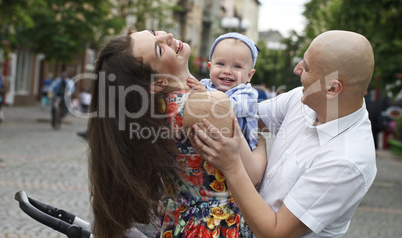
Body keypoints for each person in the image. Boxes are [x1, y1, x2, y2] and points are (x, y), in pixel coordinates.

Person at [191, 30, 377, 237]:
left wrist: (232, 164)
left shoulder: (347, 160)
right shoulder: (303, 99)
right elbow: (243, 119)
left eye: (306, 68)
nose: (297, 70)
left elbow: (275, 232)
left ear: (332, 89)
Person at [87, 28, 267, 238]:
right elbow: (252, 175)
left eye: (155, 33)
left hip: (176, 225)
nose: (167, 37)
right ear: (158, 82)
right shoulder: (210, 103)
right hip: (218, 227)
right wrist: (261, 139)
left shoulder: (155, 109)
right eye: (159, 48)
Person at [187, 32, 260, 150]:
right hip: (208, 142)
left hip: (239, 152)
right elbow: (187, 82)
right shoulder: (205, 84)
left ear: (249, 75)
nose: (227, 71)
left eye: (237, 66)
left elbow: (229, 108)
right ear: (210, 68)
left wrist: (206, 92)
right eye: (220, 64)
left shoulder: (247, 94)